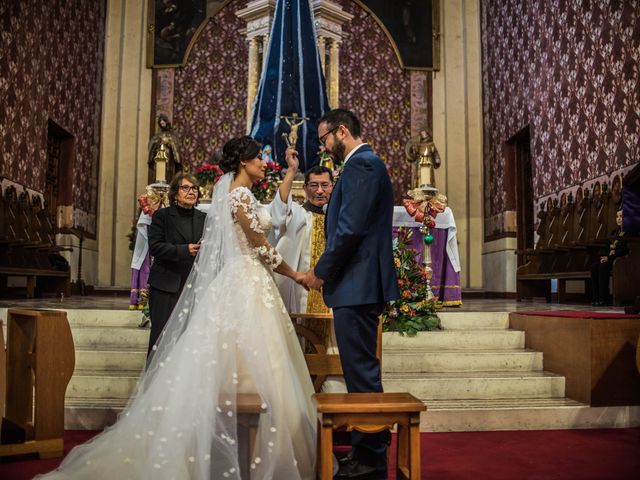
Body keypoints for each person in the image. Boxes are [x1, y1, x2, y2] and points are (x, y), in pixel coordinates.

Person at [36, 136, 316, 479]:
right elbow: (261, 248)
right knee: (259, 368)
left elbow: (271, 219)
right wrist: (297, 274)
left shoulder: (240, 195)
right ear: (244, 162)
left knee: (254, 370)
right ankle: (251, 453)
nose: (263, 163)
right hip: (247, 283)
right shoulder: (238, 196)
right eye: (259, 158)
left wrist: (290, 173)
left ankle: (241, 452)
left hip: (247, 282)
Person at [301, 109, 399, 479]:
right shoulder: (364, 164)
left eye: (325, 138)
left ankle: (370, 460)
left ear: (342, 131)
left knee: (361, 372)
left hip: (356, 285)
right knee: (360, 370)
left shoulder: (363, 165)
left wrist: (320, 272)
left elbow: (350, 228)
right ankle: (368, 450)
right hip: (356, 284)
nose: (324, 147)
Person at [270, 156, 347, 393]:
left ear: (332, 186)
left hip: (333, 295)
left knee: (332, 340)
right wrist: (292, 171)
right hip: (300, 293)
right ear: (304, 188)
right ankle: (301, 387)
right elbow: (277, 211)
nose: (320, 191)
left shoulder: (341, 218)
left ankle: (332, 382)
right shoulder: (297, 214)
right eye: (314, 185)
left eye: (325, 185)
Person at [146, 172, 206, 356]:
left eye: (194, 188)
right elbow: (155, 247)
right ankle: (154, 382)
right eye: (185, 188)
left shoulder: (204, 218)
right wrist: (183, 250)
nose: (191, 191)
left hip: (194, 285)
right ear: (174, 194)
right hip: (166, 285)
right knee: (161, 337)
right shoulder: (162, 216)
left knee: (188, 338)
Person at [590, 208, 628, 306]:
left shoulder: (629, 232)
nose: (619, 219)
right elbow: (608, 247)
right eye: (617, 217)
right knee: (594, 267)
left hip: (620, 260)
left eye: (621, 216)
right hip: (610, 259)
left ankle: (604, 298)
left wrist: (610, 258)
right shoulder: (614, 232)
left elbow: (624, 250)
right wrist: (605, 257)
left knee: (603, 267)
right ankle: (596, 298)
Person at [148, 115, 184, 182]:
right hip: (159, 156)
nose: (162, 124)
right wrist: (157, 142)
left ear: (166, 122)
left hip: (169, 157)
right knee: (159, 171)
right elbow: (152, 146)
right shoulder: (158, 135)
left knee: (168, 171)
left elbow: (176, 147)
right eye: (161, 123)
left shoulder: (172, 134)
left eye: (163, 122)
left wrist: (169, 142)